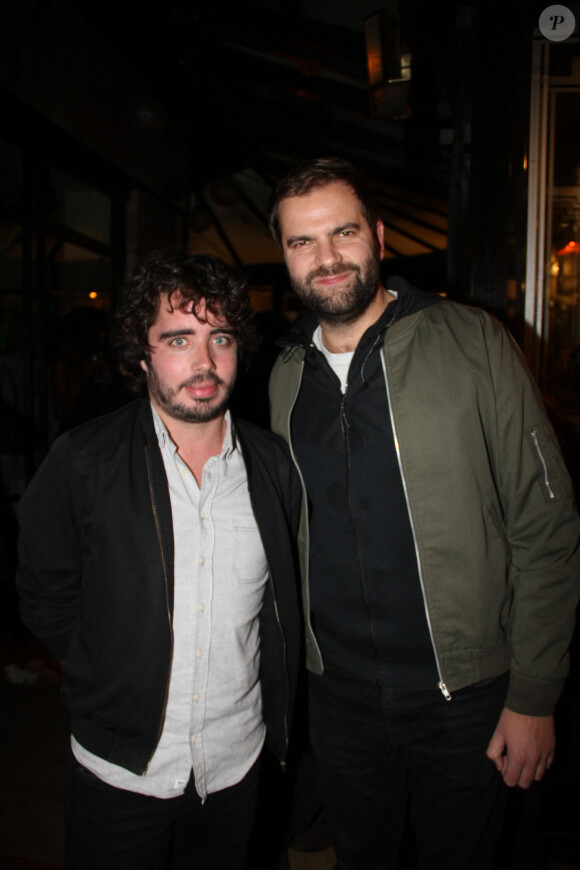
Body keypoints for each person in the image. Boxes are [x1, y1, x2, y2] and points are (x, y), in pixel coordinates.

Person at [267, 157, 580, 870]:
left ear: (377, 236)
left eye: (343, 232)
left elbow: (547, 525)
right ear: (285, 257)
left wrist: (534, 694)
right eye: (301, 242)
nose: (326, 257)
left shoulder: (472, 342)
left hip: (465, 695)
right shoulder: (284, 375)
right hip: (338, 697)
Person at [16, 249, 301, 870]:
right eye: (179, 338)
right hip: (121, 771)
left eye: (219, 337)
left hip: (237, 769)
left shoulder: (273, 467)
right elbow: (44, 594)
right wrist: (104, 674)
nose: (203, 362)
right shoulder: (82, 460)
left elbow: (285, 609)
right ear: (142, 353)